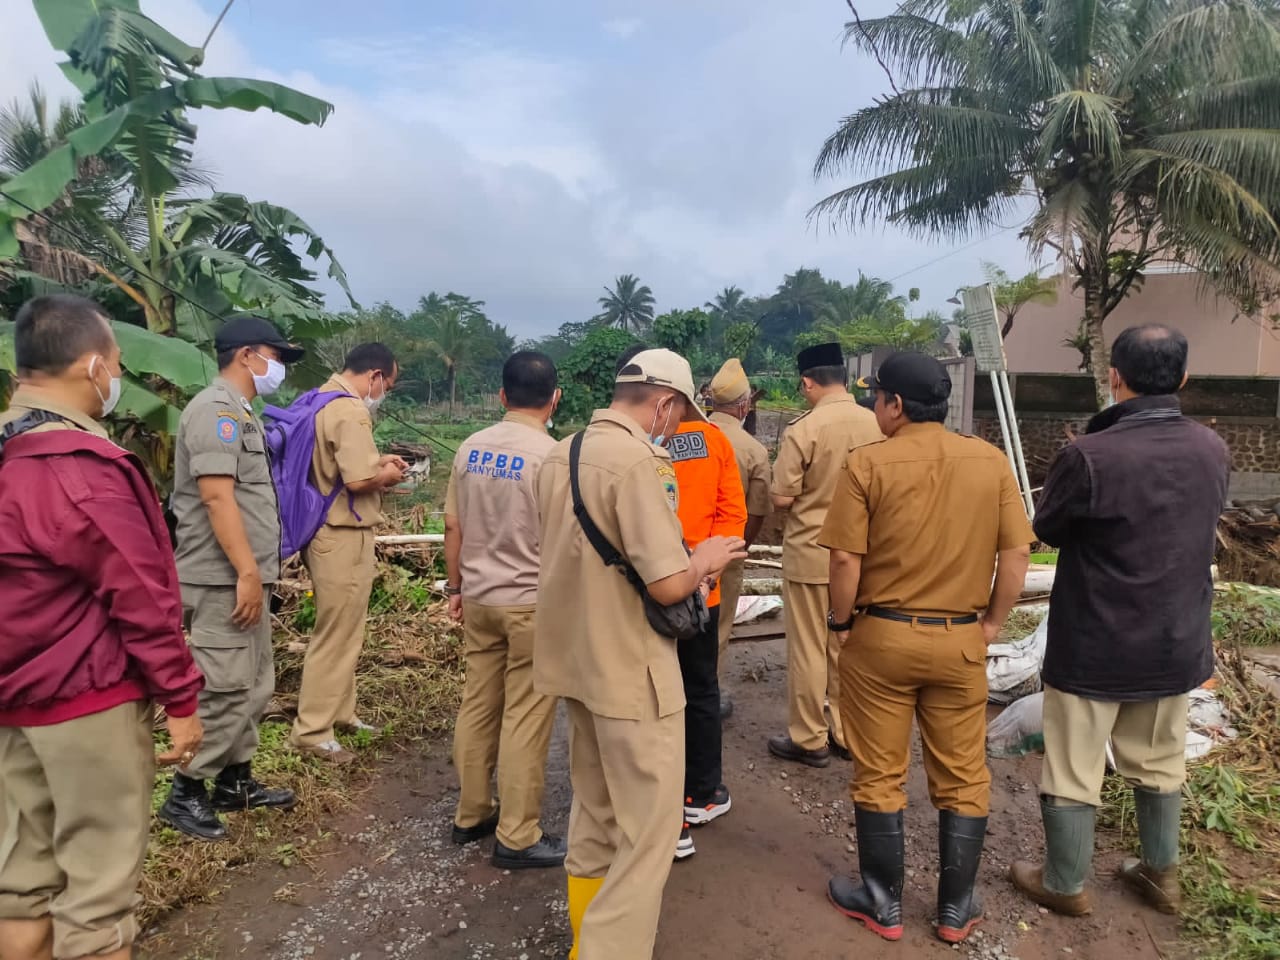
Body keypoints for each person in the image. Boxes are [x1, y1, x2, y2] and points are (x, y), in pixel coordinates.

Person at [0, 295, 205, 960]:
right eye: (117, 365)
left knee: (22, 885)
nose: (116, 380)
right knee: (96, 898)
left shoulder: (9, 456)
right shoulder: (83, 469)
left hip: (12, 705)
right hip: (84, 704)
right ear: (92, 367)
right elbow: (141, 596)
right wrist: (180, 698)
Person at [1011, 326, 1230, 918]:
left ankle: (1064, 883)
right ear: (1183, 378)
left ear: (1115, 377)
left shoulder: (1088, 455)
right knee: (1160, 759)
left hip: (1094, 642)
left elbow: (1047, 531)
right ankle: (1161, 877)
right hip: (1174, 638)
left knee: (1074, 763)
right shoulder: (1212, 449)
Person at [534, 348, 746, 960]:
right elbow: (668, 583)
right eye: (677, 417)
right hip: (631, 670)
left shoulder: (560, 453)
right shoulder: (638, 463)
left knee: (594, 815)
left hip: (574, 660)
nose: (674, 429)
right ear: (663, 403)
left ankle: (583, 939)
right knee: (651, 834)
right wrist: (705, 559)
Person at [819, 350, 1034, 943]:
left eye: (878, 399)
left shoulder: (868, 466)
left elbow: (843, 557)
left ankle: (882, 902)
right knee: (964, 774)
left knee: (880, 771)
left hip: (881, 639)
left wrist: (842, 626)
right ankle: (955, 910)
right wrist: (990, 624)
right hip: (960, 640)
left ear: (895, 405)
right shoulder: (990, 462)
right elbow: (1017, 554)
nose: (875, 409)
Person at [160, 315, 304, 841]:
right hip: (223, 577)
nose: (280, 367)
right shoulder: (215, 411)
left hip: (246, 575)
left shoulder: (241, 411)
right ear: (246, 355)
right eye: (276, 355)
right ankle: (186, 791)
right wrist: (245, 570)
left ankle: (234, 779)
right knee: (224, 687)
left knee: (256, 681)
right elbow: (217, 496)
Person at [444, 351, 567, 869]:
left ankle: (471, 813)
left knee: (478, 703)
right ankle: (518, 835)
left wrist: (455, 587)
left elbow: (454, 526)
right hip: (530, 605)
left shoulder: (469, 449)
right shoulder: (554, 457)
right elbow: (565, 542)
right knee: (525, 716)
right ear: (554, 399)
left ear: (501, 396)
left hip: (478, 599)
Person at [290, 343, 407, 762]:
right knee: (336, 632)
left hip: (325, 529)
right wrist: (389, 474)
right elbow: (359, 481)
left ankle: (341, 712)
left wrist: (380, 460)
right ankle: (312, 730)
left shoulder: (319, 398)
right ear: (374, 376)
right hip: (341, 532)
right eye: (387, 384)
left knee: (347, 627)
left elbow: (345, 464)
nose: (385, 392)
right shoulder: (351, 409)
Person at [767, 342, 881, 767]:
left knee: (808, 650)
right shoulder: (876, 424)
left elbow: (780, 497)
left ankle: (809, 738)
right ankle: (846, 733)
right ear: (846, 379)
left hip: (812, 556)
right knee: (846, 647)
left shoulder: (805, 429)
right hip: (864, 557)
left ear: (807, 382)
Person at [706, 358, 772, 718]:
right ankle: (708, 694)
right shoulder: (753, 450)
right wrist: (738, 546)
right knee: (718, 625)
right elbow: (758, 509)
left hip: (679, 550)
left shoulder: (680, 435)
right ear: (745, 405)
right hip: (726, 552)